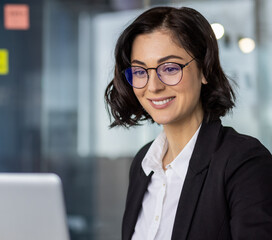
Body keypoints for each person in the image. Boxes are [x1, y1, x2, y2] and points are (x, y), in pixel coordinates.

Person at [104, 6, 272, 240]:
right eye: (140, 71)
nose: (153, 86)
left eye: (170, 68)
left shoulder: (244, 162)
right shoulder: (143, 163)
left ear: (204, 69)